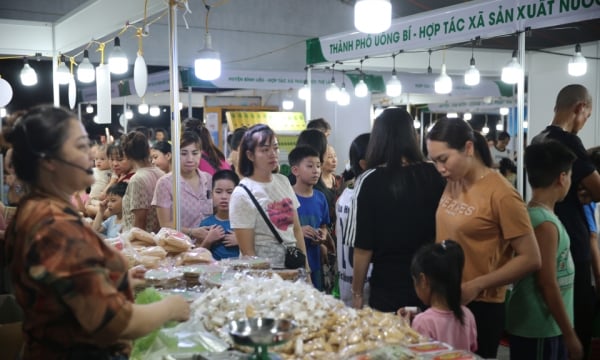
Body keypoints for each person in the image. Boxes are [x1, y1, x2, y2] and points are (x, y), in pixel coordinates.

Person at [1, 105, 189, 359]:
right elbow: (114, 322)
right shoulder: (54, 226)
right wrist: (171, 307)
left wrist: (126, 282)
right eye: (80, 147)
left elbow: (68, 292)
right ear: (49, 162)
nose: (91, 156)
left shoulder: (39, 209)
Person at [426, 118, 541, 358]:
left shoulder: (502, 195)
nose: (440, 168)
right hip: (444, 298)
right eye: (434, 161)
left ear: (468, 148)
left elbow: (531, 258)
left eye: (443, 159)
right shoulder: (453, 180)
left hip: (480, 306)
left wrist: (476, 285)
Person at [348, 108, 446, 312]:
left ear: (378, 139)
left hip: (387, 288)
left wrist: (357, 293)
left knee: (391, 343)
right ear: (413, 136)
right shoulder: (435, 174)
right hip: (432, 285)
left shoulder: (369, 180)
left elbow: (363, 247)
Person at [530, 84, 599, 359]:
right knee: (577, 322)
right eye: (588, 116)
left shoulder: (538, 139)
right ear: (580, 108)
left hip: (550, 233)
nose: (584, 123)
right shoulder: (569, 141)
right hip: (574, 244)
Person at [506, 141, 582, 360]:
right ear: (562, 178)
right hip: (539, 327)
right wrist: (570, 334)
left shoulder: (540, 216)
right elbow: (547, 282)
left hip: (546, 326)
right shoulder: (544, 224)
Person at [229, 124, 309, 271]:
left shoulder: (283, 181)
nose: (273, 153)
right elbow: (248, 253)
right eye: (265, 150)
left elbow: (296, 230)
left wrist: (306, 270)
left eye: (275, 147)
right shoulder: (242, 193)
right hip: (266, 274)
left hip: (293, 267)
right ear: (250, 155)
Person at [406, 240, 478, 352]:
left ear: (424, 281)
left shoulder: (422, 322)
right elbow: (472, 348)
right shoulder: (467, 314)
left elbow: (417, 355)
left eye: (415, 281)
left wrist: (406, 329)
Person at [152, 131, 213, 241]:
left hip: (212, 248)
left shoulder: (208, 179)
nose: (190, 159)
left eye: (195, 153)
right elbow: (165, 225)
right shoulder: (165, 183)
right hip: (180, 247)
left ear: (200, 154)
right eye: (183, 153)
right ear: (174, 154)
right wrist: (192, 232)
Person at [335, 133, 371, 306]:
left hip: (346, 278)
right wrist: (357, 292)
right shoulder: (364, 194)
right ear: (364, 164)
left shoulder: (347, 192)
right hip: (364, 284)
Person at [289, 146, 330, 289]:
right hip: (293, 263)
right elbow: (279, 231)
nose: (316, 170)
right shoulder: (287, 197)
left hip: (315, 261)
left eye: (318, 166)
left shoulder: (320, 197)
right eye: (310, 166)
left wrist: (322, 236)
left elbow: (324, 226)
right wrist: (299, 231)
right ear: (295, 170)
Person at [121, 131, 163, 233]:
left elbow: (139, 221)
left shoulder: (137, 179)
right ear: (148, 150)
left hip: (142, 242)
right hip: (157, 237)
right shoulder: (161, 174)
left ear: (126, 155)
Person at [198, 170, 240, 260]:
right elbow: (198, 257)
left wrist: (241, 241)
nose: (224, 197)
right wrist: (208, 240)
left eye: (229, 192)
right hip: (213, 272)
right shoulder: (206, 224)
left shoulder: (244, 223)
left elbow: (255, 251)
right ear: (212, 194)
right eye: (218, 192)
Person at [85, 143, 112, 217]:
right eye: (96, 159)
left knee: (100, 211)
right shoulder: (93, 170)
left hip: (104, 200)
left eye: (102, 159)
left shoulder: (111, 172)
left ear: (110, 160)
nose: (98, 161)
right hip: (92, 199)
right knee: (88, 210)